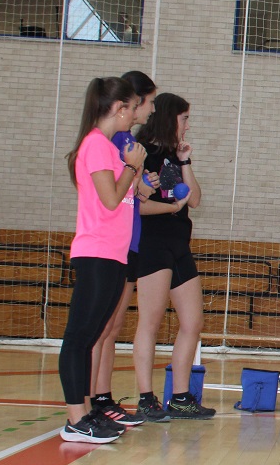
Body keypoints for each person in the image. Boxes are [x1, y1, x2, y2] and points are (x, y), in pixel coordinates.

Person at [58, 77, 145, 444]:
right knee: (79, 338)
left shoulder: (110, 149)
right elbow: (110, 200)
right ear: (120, 107)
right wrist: (131, 167)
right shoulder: (95, 145)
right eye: (132, 107)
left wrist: (133, 169)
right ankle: (75, 418)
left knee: (93, 334)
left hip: (113, 254)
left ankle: (89, 409)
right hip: (95, 253)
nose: (134, 115)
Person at [130, 92, 213, 421]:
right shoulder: (142, 154)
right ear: (169, 118)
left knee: (193, 322)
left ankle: (180, 396)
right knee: (150, 322)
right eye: (184, 119)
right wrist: (171, 206)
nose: (188, 126)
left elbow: (194, 201)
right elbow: (137, 206)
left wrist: (185, 160)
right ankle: (145, 397)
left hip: (179, 243)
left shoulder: (174, 155)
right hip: (153, 242)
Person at [88, 70, 156, 428]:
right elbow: (113, 195)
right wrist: (135, 170)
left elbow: (135, 192)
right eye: (148, 102)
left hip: (129, 240)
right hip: (112, 243)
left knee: (111, 328)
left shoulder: (126, 141)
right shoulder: (114, 142)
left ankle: (102, 395)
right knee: (102, 328)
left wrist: (143, 181)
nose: (150, 108)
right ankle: (94, 399)